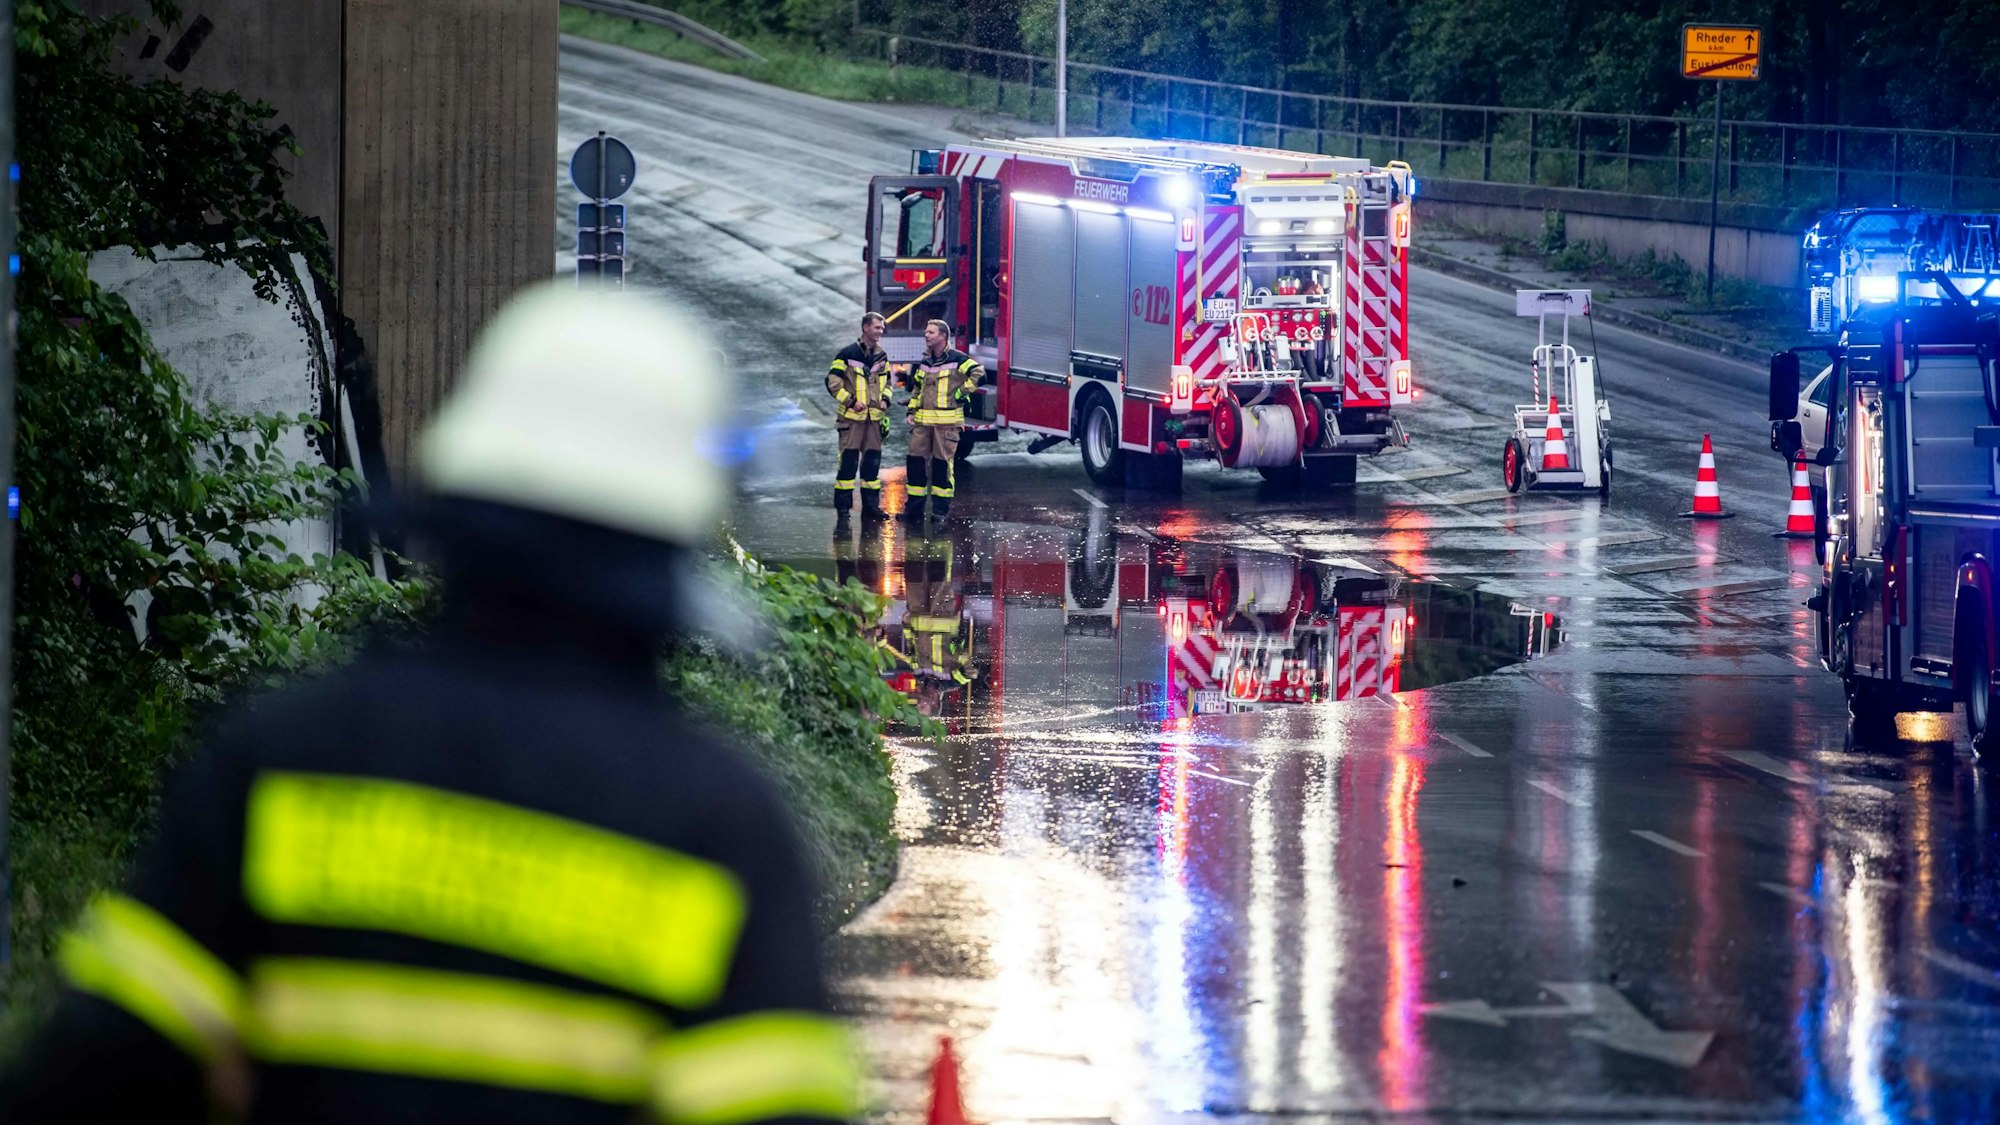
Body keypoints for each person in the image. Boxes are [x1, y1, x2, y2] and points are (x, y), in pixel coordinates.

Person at [0, 284, 863, 1124]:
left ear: (453, 501)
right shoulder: (716, 825)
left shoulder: (281, 760)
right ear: (676, 538)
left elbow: (90, 1082)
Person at [902, 320, 983, 524]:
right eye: (925, 331)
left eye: (930, 332)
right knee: (915, 464)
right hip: (922, 423)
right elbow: (917, 389)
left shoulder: (958, 359)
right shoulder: (924, 362)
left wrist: (960, 392)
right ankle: (913, 510)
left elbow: (979, 373)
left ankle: (939, 511)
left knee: (942, 467)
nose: (926, 335)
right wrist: (911, 410)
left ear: (943, 336)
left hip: (946, 425)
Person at [825, 312, 891, 526]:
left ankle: (870, 507)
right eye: (876, 328)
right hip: (852, 420)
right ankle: (843, 509)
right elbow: (832, 382)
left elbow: (888, 384)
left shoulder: (882, 356)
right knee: (848, 466)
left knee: (872, 467)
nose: (880, 332)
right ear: (865, 328)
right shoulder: (847, 354)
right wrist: (851, 401)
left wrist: (885, 401)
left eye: (882, 328)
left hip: (873, 421)